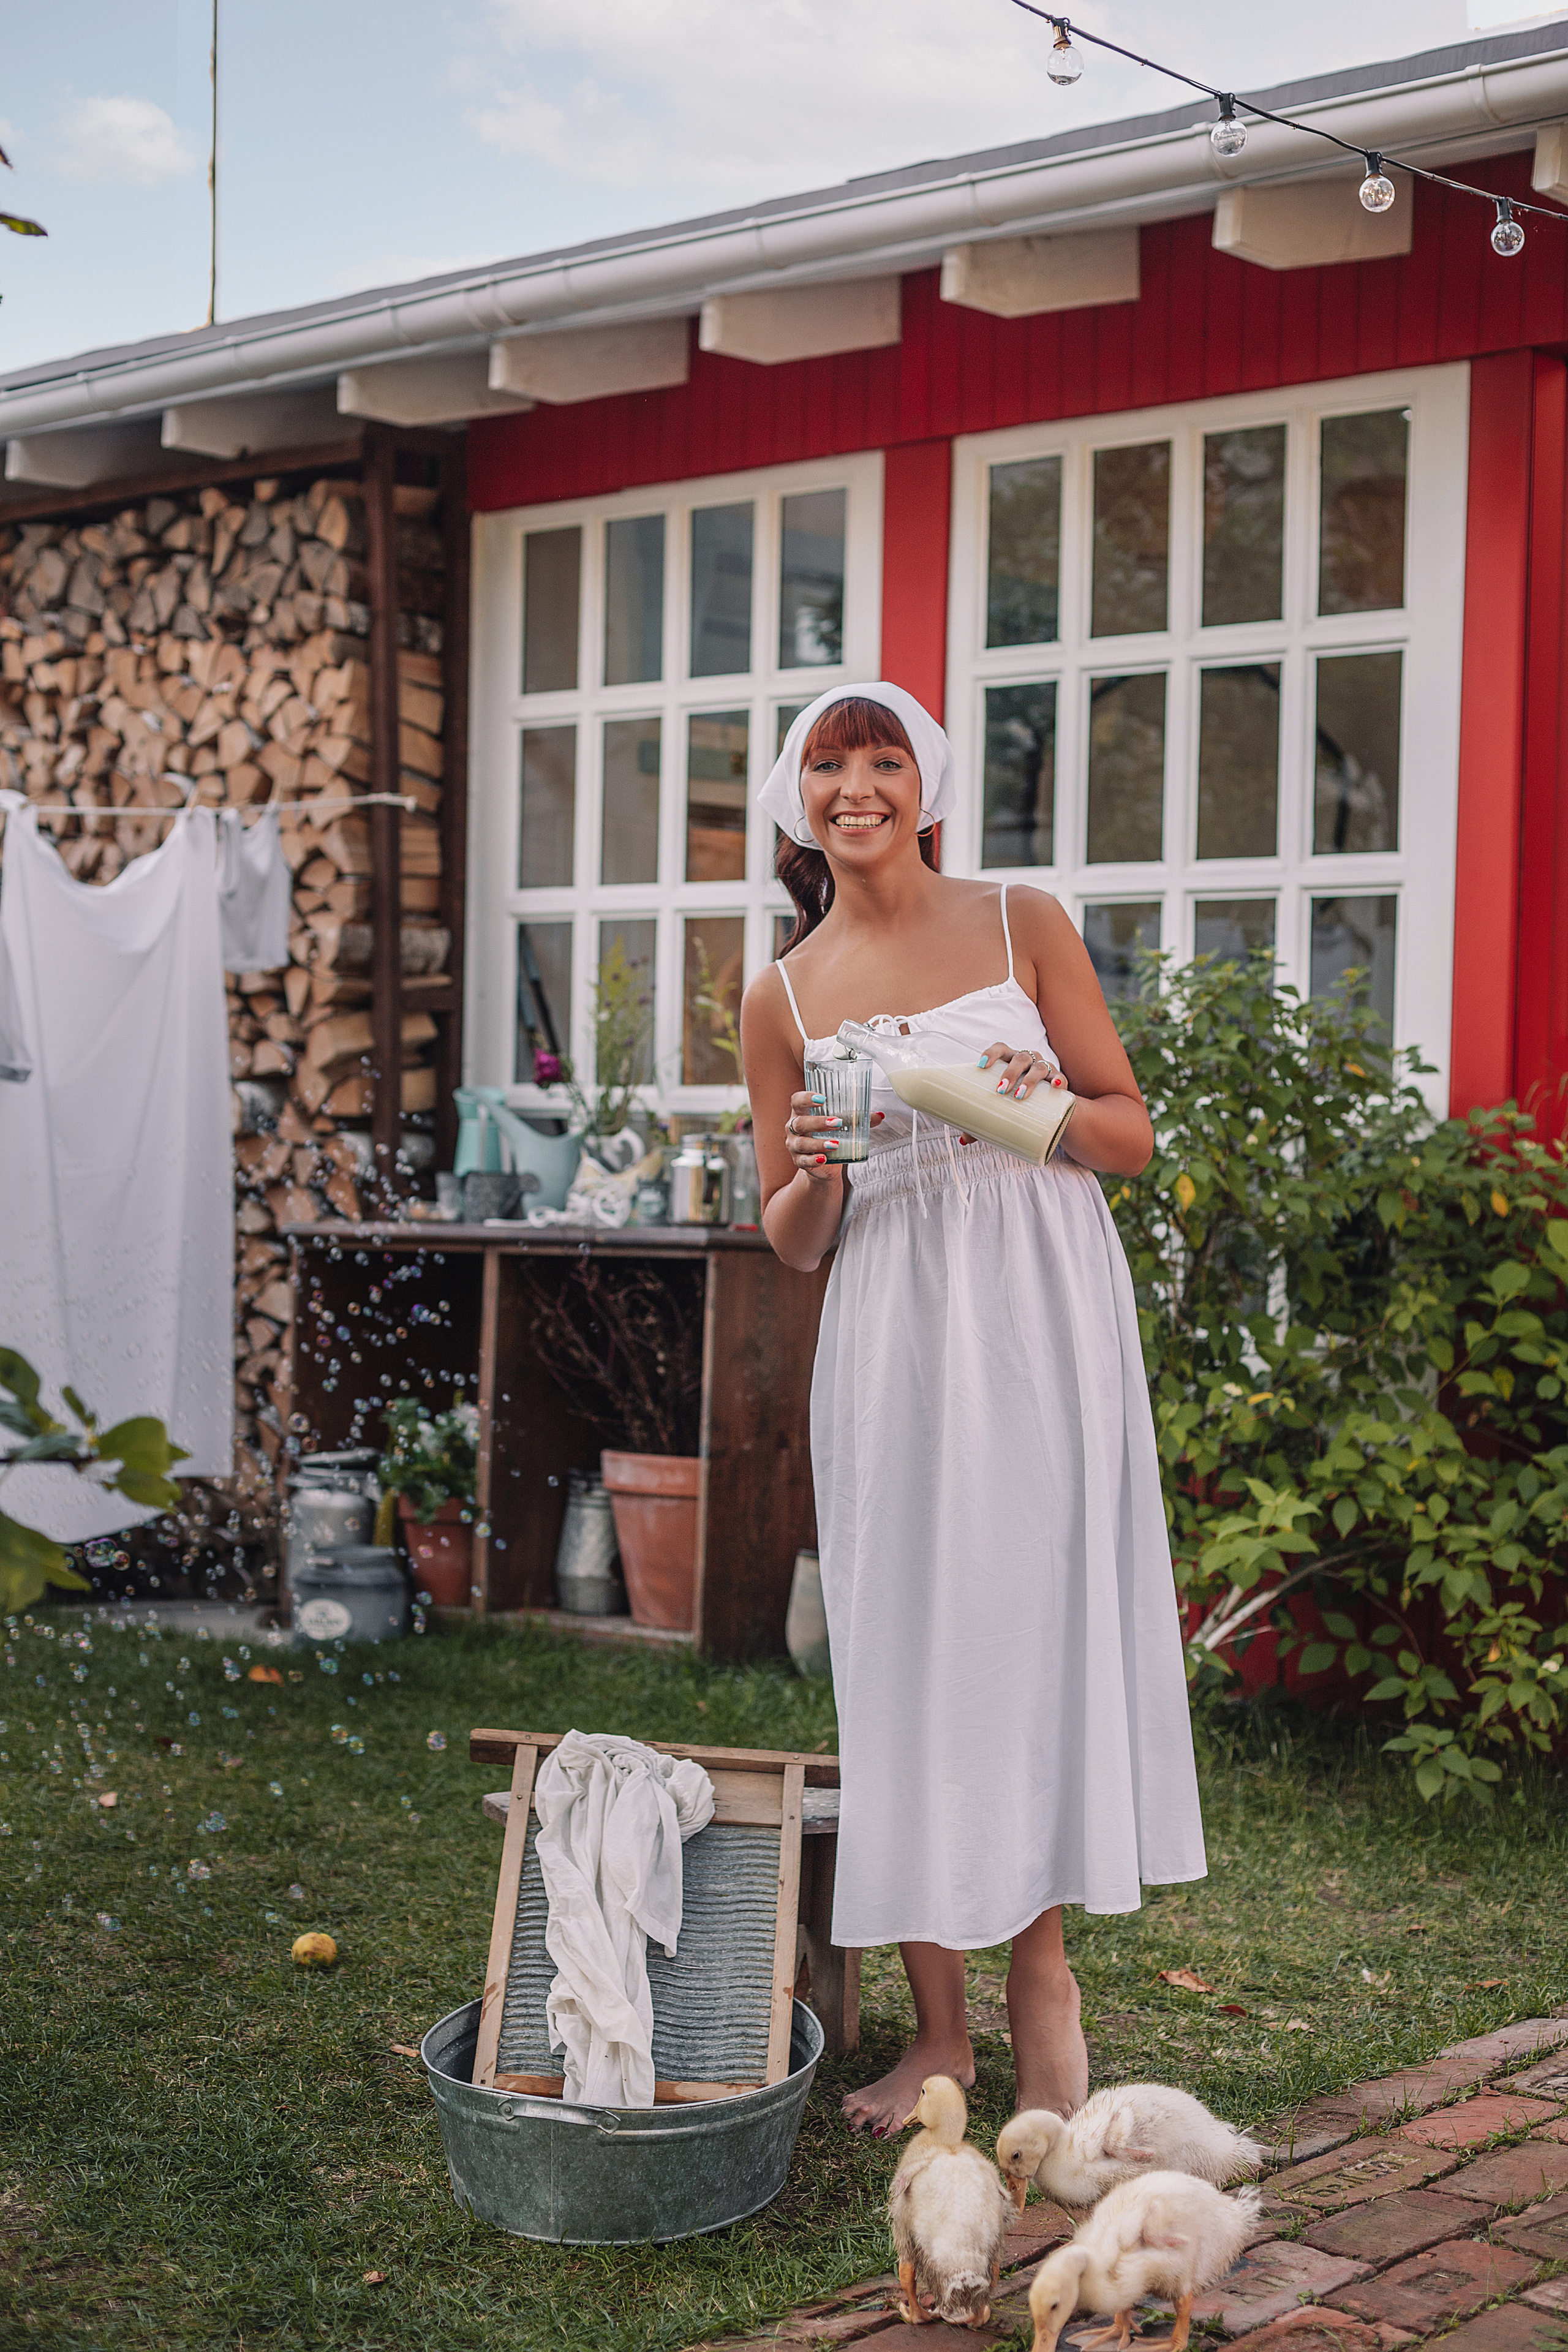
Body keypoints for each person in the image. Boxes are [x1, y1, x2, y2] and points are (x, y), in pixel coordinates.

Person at [739, 681, 1205, 2138]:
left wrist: (1028, 1103)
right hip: (890, 1327)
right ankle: (937, 2033)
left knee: (1029, 1625)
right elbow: (792, 1235)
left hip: (1036, 1309)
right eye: (829, 766)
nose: (856, 787)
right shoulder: (780, 991)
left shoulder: (1020, 919)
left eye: (882, 760)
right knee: (906, 1641)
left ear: (921, 784)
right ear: (797, 797)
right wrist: (815, 1165)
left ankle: (1040, 1988)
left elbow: (1126, 1134)